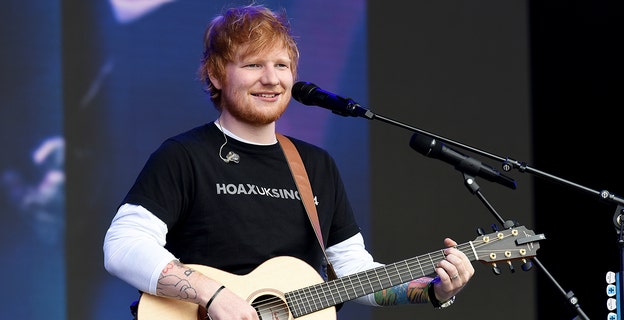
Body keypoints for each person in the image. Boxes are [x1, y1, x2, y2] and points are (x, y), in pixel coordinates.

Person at [103, 4, 475, 319]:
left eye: (281, 65)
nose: (271, 79)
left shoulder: (316, 166)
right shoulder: (184, 156)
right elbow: (122, 246)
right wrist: (213, 295)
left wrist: (432, 290)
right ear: (216, 74)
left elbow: (355, 273)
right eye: (252, 65)